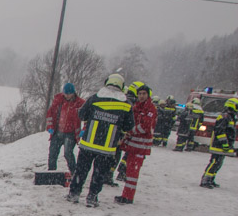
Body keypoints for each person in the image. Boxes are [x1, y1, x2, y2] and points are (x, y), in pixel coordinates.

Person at [67, 74, 134, 208]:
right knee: (99, 174)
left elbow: (82, 115)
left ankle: (74, 194)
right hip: (107, 147)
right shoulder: (126, 104)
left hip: (88, 143)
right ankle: (92, 197)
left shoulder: (95, 97)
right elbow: (129, 125)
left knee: (81, 170)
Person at [114, 84, 157, 204]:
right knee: (129, 171)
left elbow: (146, 127)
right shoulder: (137, 107)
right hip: (133, 145)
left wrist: (130, 130)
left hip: (140, 146)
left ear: (148, 95)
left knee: (133, 172)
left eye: (144, 94)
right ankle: (126, 194)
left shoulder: (150, 109)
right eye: (140, 94)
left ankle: (128, 197)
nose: (141, 96)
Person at [45, 82, 85, 174]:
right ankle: (51, 172)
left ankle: (74, 172)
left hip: (70, 134)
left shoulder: (80, 103)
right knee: (52, 153)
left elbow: (87, 118)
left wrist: (83, 130)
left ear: (73, 93)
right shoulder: (58, 100)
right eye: (65, 94)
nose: (67, 96)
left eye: (69, 94)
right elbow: (50, 114)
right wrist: (50, 126)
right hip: (57, 131)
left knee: (68, 153)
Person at [200, 97, 237, 188]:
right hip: (218, 145)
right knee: (214, 163)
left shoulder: (230, 117)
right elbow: (220, 131)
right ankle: (205, 180)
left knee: (218, 163)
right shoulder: (225, 117)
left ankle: (211, 179)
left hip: (223, 145)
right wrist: (224, 143)